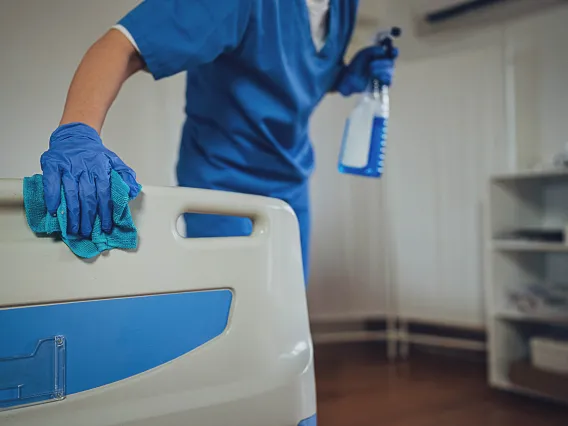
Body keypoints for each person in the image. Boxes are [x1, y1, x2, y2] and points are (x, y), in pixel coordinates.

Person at [39, 0, 397, 284]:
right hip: (222, 179)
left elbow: (284, 66)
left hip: (291, 177)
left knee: (287, 318)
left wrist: (342, 76)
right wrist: (78, 133)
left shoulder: (344, 5)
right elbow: (123, 47)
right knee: (234, 319)